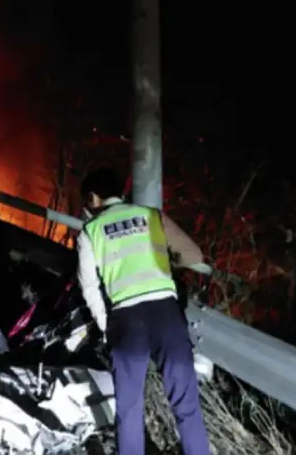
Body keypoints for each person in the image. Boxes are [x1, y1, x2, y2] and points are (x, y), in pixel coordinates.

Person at [76, 168, 210, 455]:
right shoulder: (151, 216)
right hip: (166, 315)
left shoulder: (90, 231)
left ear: (94, 198)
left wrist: (107, 326)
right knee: (186, 406)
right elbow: (193, 255)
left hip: (126, 320)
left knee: (129, 410)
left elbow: (89, 288)